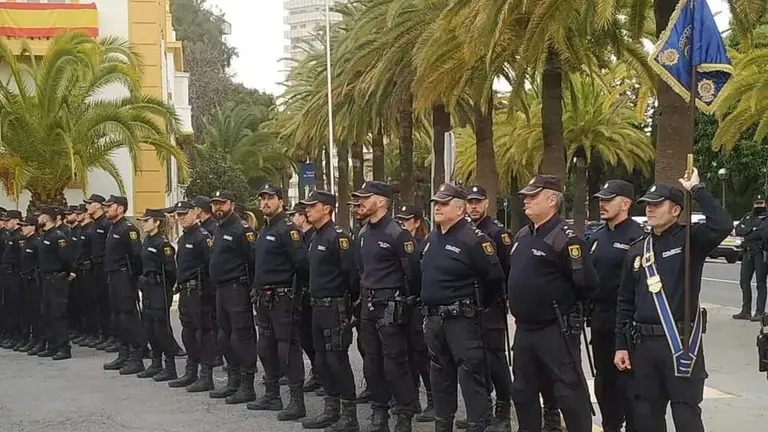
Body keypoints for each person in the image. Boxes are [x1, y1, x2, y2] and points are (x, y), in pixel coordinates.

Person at [615, 170, 732, 432]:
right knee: (646, 416)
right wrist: (621, 344)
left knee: (686, 416)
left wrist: (697, 190)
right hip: (643, 345)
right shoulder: (638, 248)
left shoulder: (690, 239)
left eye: (657, 205)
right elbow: (625, 300)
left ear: (676, 210)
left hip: (680, 342)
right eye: (648, 205)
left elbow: (722, 225)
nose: (650, 209)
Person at [508, 175, 598, 432]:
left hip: (555, 328)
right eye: (526, 196)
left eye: (533, 196)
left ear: (551, 200)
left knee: (568, 392)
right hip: (525, 329)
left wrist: (565, 306)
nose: (526, 200)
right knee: (523, 390)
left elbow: (587, 283)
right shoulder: (524, 234)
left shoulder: (565, 237)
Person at [420, 183, 505, 432]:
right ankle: (443, 425)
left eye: (444, 203)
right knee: (440, 376)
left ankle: (478, 424)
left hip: (461, 318)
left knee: (471, 376)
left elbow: (494, 279)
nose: (437, 207)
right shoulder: (433, 237)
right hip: (434, 319)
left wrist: (476, 306)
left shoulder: (474, 239)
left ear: (460, 209)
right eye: (436, 203)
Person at [355, 180, 421, 431]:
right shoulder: (363, 233)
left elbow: (413, 273)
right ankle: (379, 412)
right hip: (368, 304)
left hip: (390, 305)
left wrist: (405, 300)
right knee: (372, 364)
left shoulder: (397, 233)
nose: (360, 202)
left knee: (395, 364)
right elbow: (361, 269)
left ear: (381, 201)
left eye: (366, 198)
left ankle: (404, 414)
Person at [299, 190, 360, 430]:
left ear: (327, 208)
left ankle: (349, 415)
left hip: (335, 306)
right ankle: (331, 408)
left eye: (312, 205)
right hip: (317, 306)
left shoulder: (338, 236)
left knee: (337, 360)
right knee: (322, 361)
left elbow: (351, 275)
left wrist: (349, 304)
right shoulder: (314, 236)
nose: (307, 209)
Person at [588, 180, 645, 432]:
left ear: (625, 203)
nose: (602, 204)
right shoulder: (597, 236)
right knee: (604, 382)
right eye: (601, 199)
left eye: (608, 199)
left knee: (628, 384)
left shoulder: (637, 236)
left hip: (625, 320)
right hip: (600, 318)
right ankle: (610, 425)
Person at [248, 184, 309, 419]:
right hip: (264, 297)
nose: (265, 202)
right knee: (265, 347)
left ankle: (297, 401)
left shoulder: (288, 229)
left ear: (281, 201)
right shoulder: (265, 229)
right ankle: (272, 394)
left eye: (270, 198)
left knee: (287, 349)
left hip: (283, 297)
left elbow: (302, 264)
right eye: (262, 198)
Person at [465, 185, 515, 432]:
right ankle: (482, 411)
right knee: (476, 360)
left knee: (495, 359)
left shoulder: (497, 233)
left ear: (486, 203)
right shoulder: (465, 231)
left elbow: (506, 270)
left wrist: (498, 301)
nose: (474, 206)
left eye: (478, 202)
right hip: (470, 307)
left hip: (491, 306)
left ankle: (503, 411)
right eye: (470, 202)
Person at [208, 189, 258, 403]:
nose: (218, 207)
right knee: (224, 336)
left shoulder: (242, 229)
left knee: (241, 337)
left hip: (237, 287)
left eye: (222, 203)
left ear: (232, 204)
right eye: (215, 203)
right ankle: (233, 380)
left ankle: (247, 385)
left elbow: (253, 260)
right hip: (221, 289)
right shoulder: (219, 227)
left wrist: (253, 288)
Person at [169, 201, 216, 391]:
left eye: (184, 214)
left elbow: (210, 266)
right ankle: (191, 370)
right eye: (178, 215)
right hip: (185, 291)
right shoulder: (183, 238)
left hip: (199, 292)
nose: (181, 218)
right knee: (188, 332)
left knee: (203, 333)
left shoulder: (202, 237)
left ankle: (206, 375)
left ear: (194, 213)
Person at [395, 203, 434, 422]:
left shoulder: (424, 243)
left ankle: (433, 400)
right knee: (406, 354)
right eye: (399, 220)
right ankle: (412, 399)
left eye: (406, 220)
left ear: (417, 222)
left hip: (418, 305)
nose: (401, 224)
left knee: (421, 355)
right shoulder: (400, 242)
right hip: (403, 304)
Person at [101, 195, 146, 375]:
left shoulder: (128, 229)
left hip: (124, 277)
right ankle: (123, 353)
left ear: (120, 208)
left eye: (109, 206)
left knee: (129, 317)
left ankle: (137, 357)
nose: (106, 209)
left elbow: (136, 256)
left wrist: (132, 277)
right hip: (113, 276)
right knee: (118, 317)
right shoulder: (113, 227)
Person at [135, 209, 178, 381]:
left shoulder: (162, 243)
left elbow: (171, 271)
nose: (143, 224)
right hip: (147, 288)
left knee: (161, 328)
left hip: (159, 288)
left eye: (147, 220)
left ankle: (170, 367)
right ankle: (156, 363)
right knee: (149, 327)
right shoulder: (147, 240)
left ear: (157, 222)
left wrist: (165, 286)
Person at [287, 202, 322, 393]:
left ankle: (322, 375)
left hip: (314, 293)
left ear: (301, 217)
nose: (291, 219)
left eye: (294, 215)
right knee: (305, 337)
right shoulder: (300, 237)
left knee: (315, 339)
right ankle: (317, 372)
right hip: (302, 293)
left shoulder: (313, 236)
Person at [36, 206, 77, 360]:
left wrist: (70, 272)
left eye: (40, 216)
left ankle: (64, 348)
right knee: (47, 312)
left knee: (58, 313)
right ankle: (52, 345)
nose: (38, 219)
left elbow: (65, 258)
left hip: (56, 279)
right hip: (46, 279)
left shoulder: (57, 236)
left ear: (46, 218)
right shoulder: (44, 235)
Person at [84, 193, 116, 351]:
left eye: (89, 203)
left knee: (108, 303)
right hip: (95, 266)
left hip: (104, 266)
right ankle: (103, 334)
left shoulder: (106, 223)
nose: (87, 206)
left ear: (98, 205)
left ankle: (112, 336)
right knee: (99, 302)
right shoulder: (93, 224)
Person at [348, 197, 370, 404]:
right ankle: (372, 385)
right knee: (363, 344)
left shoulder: (376, 232)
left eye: (359, 206)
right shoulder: (357, 232)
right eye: (354, 207)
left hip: (372, 297)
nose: (356, 210)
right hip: (358, 297)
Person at [733, 194, 768, 321]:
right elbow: (738, 230)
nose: (758, 205)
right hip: (747, 252)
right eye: (756, 203)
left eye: (761, 203)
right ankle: (746, 311)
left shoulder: (766, 218)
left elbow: (762, 233)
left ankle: (760, 312)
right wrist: (751, 229)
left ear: (765, 204)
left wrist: (748, 230)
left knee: (760, 282)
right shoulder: (748, 216)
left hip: (760, 252)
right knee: (744, 281)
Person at [73, 204, 100, 347]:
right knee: (83, 303)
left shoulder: (91, 229)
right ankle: (86, 331)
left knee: (91, 303)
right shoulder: (80, 229)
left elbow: (93, 251)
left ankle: (94, 333)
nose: (77, 216)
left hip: (88, 269)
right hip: (79, 269)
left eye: (79, 213)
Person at [19, 215, 44, 354]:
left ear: (33, 227)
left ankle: (40, 340)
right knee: (30, 311)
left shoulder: (37, 242)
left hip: (35, 280)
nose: (22, 228)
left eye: (25, 225)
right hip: (26, 279)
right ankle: (33, 338)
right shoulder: (27, 241)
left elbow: (41, 262)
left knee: (37, 311)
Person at [0, 210, 24, 349]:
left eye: (8, 220)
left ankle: (18, 335)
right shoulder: (10, 235)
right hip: (7, 274)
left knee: (16, 306)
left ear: (16, 220)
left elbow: (21, 258)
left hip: (15, 274)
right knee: (8, 305)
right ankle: (9, 333)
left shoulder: (19, 236)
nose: (5, 223)